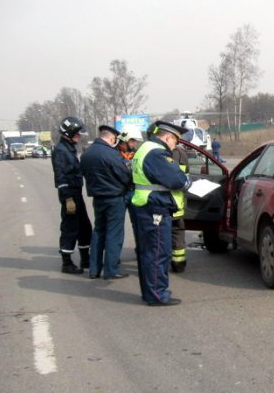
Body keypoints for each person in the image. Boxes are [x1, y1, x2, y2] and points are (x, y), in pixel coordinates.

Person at [131, 121, 191, 306]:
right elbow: (177, 180)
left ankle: (150, 291)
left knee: (148, 252)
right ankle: (157, 294)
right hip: (155, 208)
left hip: (146, 206)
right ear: (168, 137)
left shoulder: (144, 148)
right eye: (175, 141)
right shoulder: (157, 153)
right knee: (158, 252)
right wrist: (187, 181)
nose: (175, 146)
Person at [80, 125, 132, 280]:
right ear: (111, 138)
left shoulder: (87, 153)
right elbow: (124, 175)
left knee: (98, 232)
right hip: (115, 197)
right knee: (114, 234)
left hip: (98, 198)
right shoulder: (111, 153)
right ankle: (111, 269)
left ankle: (94, 269)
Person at [51, 117, 93, 273]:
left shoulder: (69, 148)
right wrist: (67, 198)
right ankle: (67, 263)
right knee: (70, 227)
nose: (79, 136)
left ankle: (85, 259)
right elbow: (60, 176)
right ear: (69, 133)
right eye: (77, 134)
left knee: (85, 227)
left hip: (76, 193)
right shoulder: (61, 151)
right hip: (69, 195)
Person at [170, 143, 190, 273]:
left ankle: (155, 265)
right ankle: (179, 264)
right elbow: (183, 179)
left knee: (158, 236)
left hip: (161, 204)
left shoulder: (155, 153)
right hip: (177, 204)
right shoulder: (181, 153)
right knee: (177, 233)